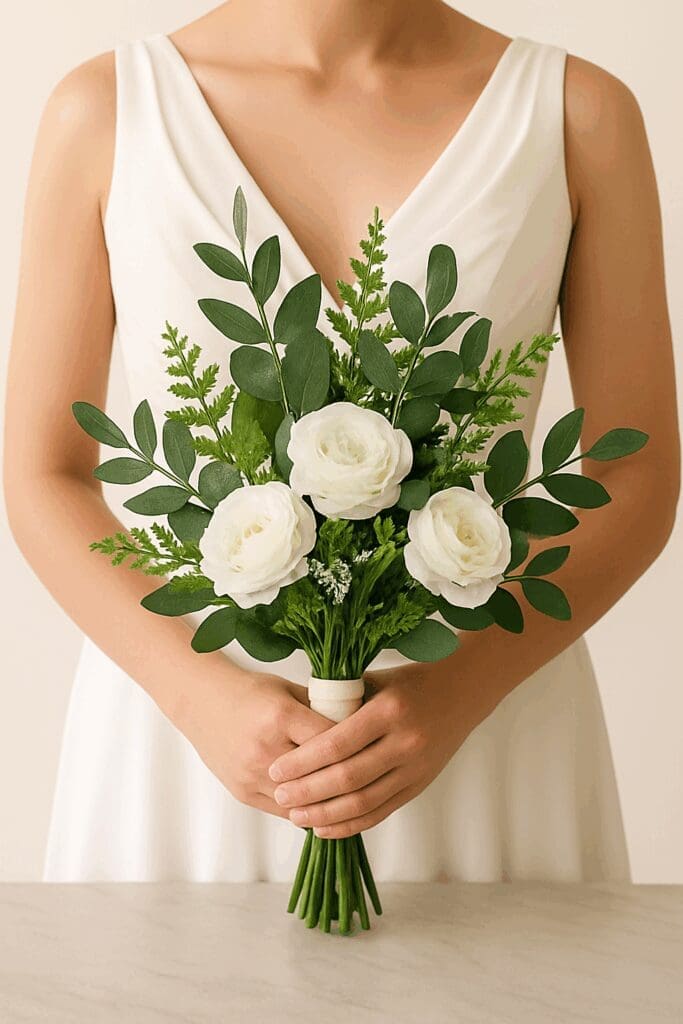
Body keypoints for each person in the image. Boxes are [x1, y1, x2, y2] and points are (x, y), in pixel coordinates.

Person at [4, 0, 679, 883]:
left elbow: (635, 469)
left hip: (486, 719)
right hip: (188, 740)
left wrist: (461, 689)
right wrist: (195, 695)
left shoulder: (575, 114)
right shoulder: (104, 109)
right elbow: (43, 471)